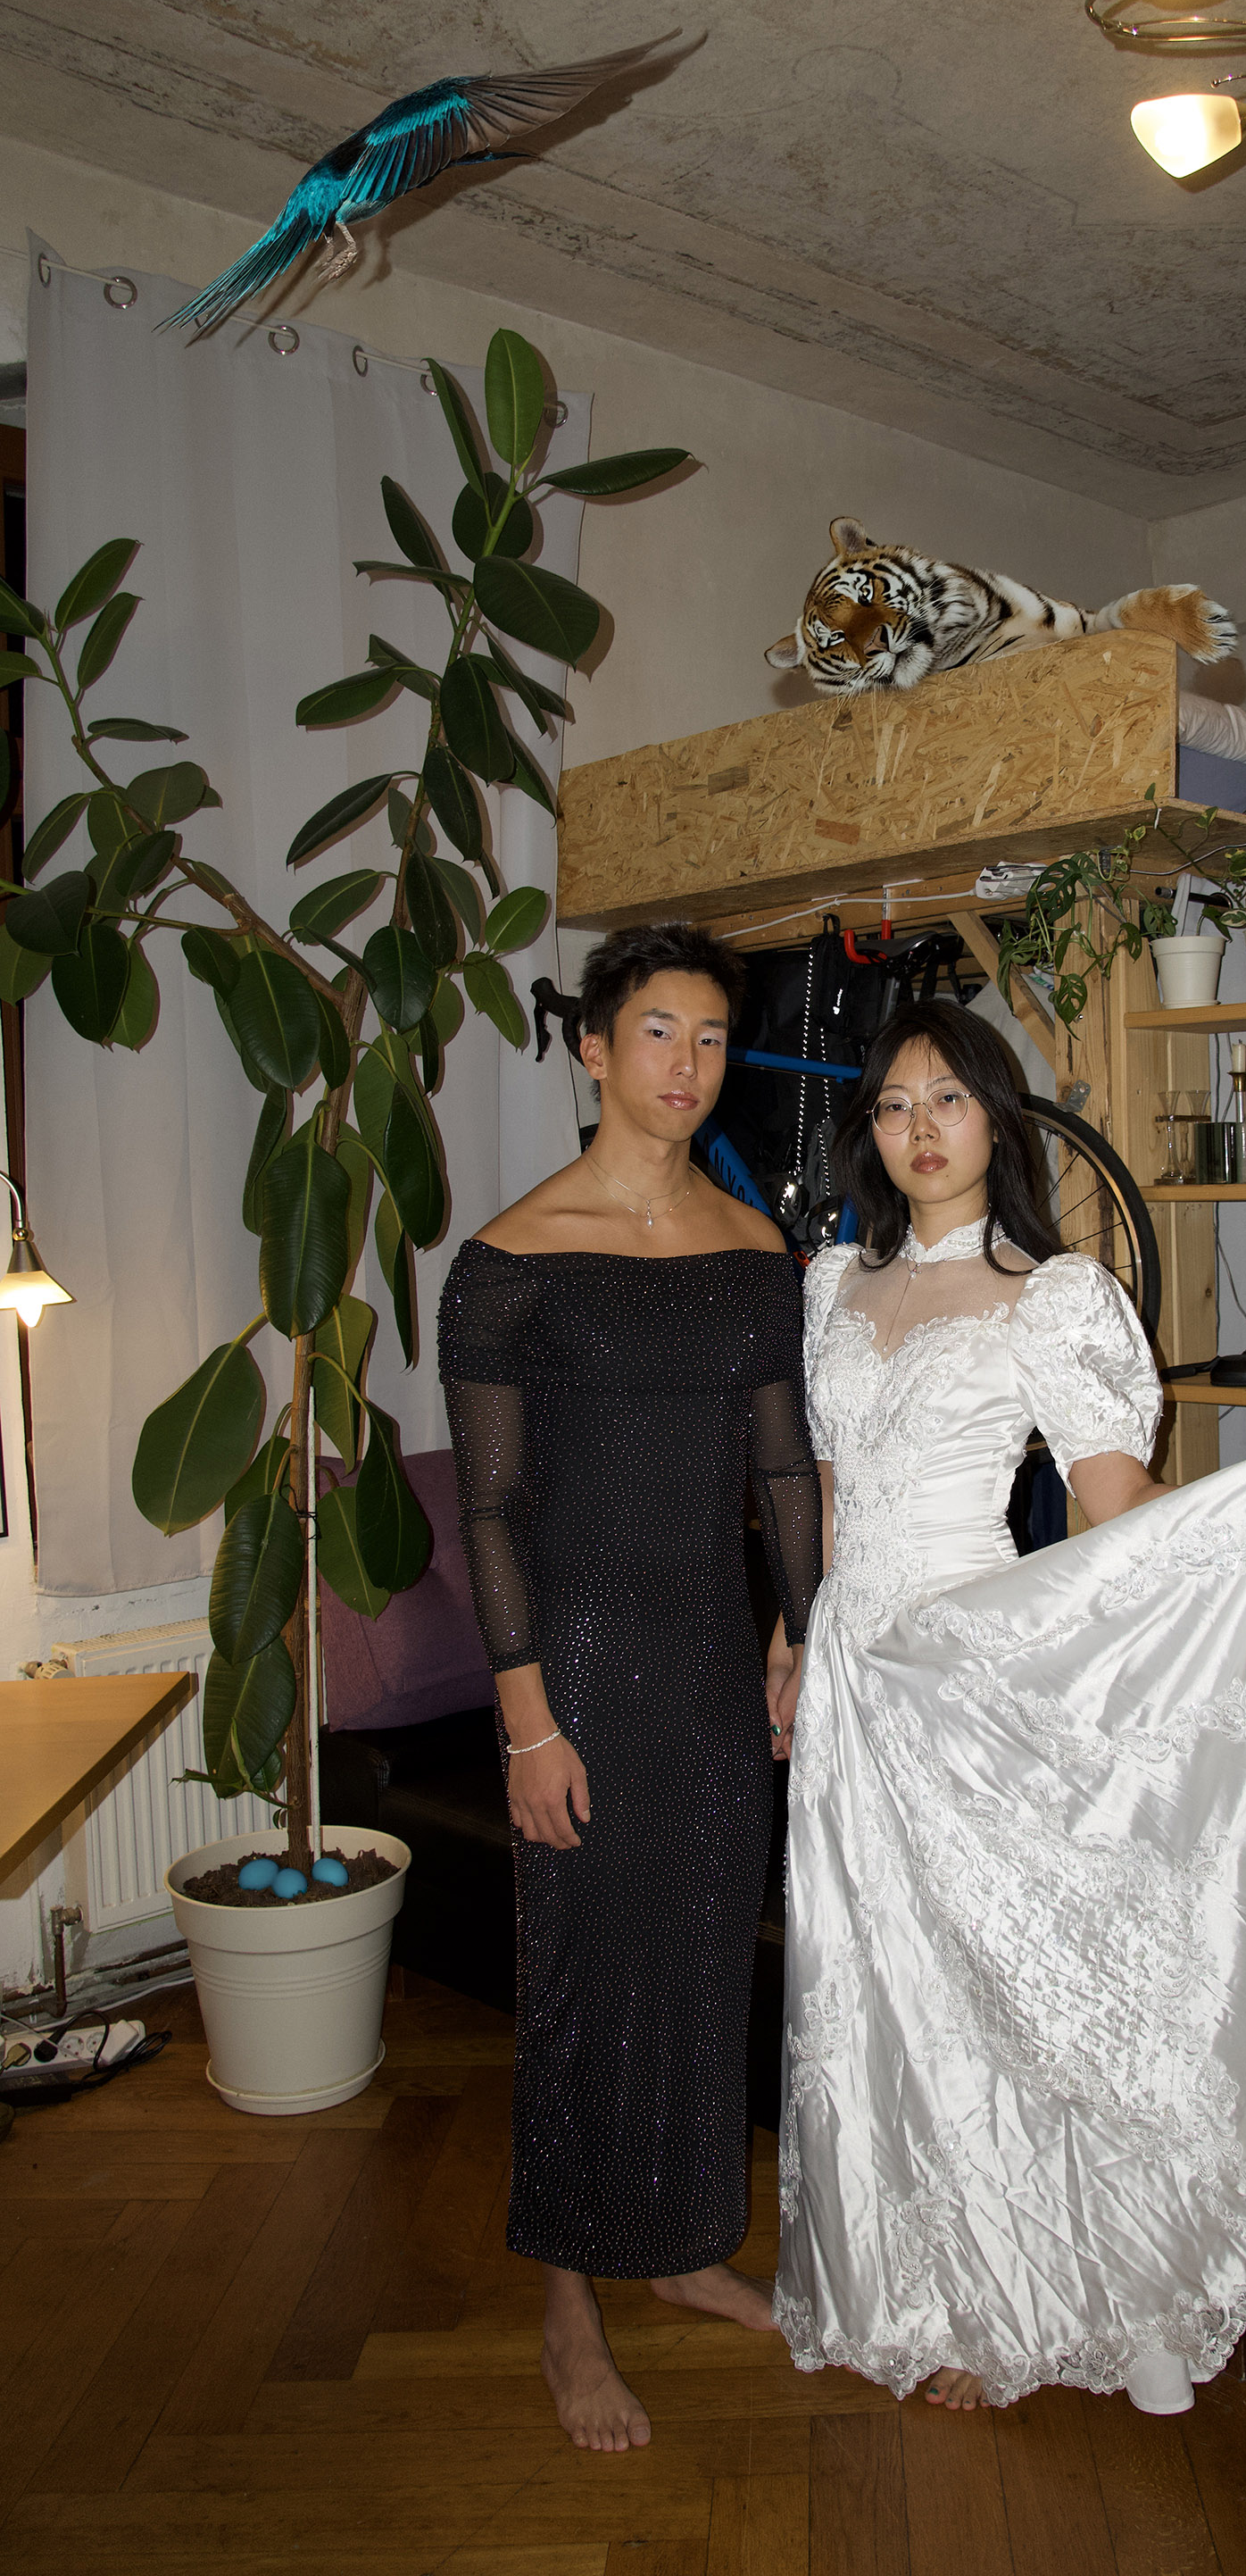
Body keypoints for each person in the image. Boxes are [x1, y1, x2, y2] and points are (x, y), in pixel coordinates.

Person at [765, 1003, 1246, 2414]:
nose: (921, 1129)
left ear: (998, 1120)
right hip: (856, 1673)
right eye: (894, 1105)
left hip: (973, 1672)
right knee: (874, 1983)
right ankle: (914, 2283)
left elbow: (1116, 1502)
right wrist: (794, 1629)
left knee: (995, 1990)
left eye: (948, 1100)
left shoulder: (1053, 1297)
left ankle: (1021, 2295)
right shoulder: (829, 1288)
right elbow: (821, 1488)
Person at [437, 922, 823, 2456]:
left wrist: (801, 1633)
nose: (688, 1064)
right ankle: (569, 2305)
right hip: (581, 1672)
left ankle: (681, 2248)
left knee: (704, 1958)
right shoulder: (511, 1262)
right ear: (594, 1049)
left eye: (712, 1037)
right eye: (659, 1031)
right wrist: (527, 1718)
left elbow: (784, 1470)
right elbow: (489, 1511)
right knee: (581, 1975)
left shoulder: (754, 1249)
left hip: (715, 1669)